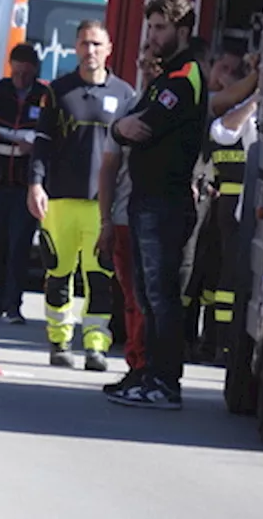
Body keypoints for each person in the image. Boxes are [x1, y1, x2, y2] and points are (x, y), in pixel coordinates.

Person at [108, 0, 208, 410]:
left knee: (162, 297)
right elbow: (124, 128)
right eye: (150, 27)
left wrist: (121, 127)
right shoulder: (166, 76)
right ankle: (148, 375)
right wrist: (119, 126)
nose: (152, 36)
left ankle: (165, 383)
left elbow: (142, 127)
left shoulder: (184, 78)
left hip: (164, 203)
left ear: (182, 30)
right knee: (148, 297)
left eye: (161, 28)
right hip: (148, 200)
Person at [27, 20, 137, 371]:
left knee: (100, 276)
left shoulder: (125, 95)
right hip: (59, 200)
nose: (90, 51)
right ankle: (59, 341)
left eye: (96, 44)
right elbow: (41, 143)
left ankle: (95, 346)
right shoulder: (58, 91)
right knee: (58, 273)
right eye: (84, 44)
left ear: (108, 49)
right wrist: (35, 184)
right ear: (76, 48)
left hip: (101, 204)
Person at [0, 42, 52, 325]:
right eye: (16, 73)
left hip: (26, 183)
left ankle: (14, 304)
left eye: (26, 74)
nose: (21, 79)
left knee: (19, 244)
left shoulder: (45, 97)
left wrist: (36, 149)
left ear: (35, 72)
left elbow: (52, 135)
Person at [186, 47, 258, 364]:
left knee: (234, 276)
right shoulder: (240, 109)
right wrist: (254, 99)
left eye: (234, 70)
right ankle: (215, 342)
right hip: (227, 204)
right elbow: (224, 133)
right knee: (217, 274)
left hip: (248, 204)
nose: (226, 76)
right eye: (222, 68)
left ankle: (225, 342)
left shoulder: (260, 109)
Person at [97, 42, 158, 396]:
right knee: (133, 298)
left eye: (155, 65)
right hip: (124, 217)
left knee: (154, 299)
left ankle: (152, 368)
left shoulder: (177, 107)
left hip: (157, 217)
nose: (148, 70)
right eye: (143, 63)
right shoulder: (128, 109)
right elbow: (108, 168)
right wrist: (104, 221)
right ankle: (137, 366)